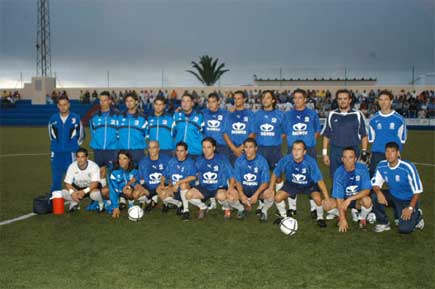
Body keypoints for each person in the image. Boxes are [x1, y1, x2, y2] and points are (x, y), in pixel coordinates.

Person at [270, 140, 330, 228]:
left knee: (317, 199)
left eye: (299, 149)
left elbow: (320, 181)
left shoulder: (310, 162)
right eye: (294, 149)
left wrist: (327, 198)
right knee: (278, 197)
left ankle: (320, 218)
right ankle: (283, 216)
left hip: (309, 185)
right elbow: (275, 173)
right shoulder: (286, 159)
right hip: (291, 184)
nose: (296, 152)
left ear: (304, 152)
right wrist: (271, 188)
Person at [283, 88, 321, 217]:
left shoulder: (312, 114)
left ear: (305, 99)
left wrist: (308, 144)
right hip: (292, 150)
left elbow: (317, 131)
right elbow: (284, 132)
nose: (297, 100)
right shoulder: (287, 115)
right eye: (295, 97)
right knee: (291, 176)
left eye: (300, 97)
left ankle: (314, 208)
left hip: (308, 149)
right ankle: (292, 208)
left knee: (312, 177)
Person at [371, 142, 424, 233]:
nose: (389, 155)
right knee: (374, 195)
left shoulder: (407, 167)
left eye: (392, 151)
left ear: (398, 153)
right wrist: (379, 192)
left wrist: (410, 208)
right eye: (387, 151)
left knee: (404, 229)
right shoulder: (382, 165)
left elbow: (418, 191)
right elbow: (375, 184)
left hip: (407, 200)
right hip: (393, 195)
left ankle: (417, 215)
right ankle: (383, 222)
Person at [322, 147, 373, 232]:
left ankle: (362, 218)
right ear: (342, 159)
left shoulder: (362, 169)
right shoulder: (339, 173)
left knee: (367, 201)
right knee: (325, 204)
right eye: (345, 157)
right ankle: (340, 214)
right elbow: (339, 198)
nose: (347, 160)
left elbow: (367, 190)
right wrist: (342, 219)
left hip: (357, 200)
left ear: (355, 159)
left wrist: (350, 199)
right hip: (344, 200)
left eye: (350, 157)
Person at [322, 89, 368, 180]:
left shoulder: (357, 114)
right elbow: (327, 135)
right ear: (337, 100)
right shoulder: (332, 114)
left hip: (353, 151)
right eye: (340, 99)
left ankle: (353, 194)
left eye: (345, 98)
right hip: (336, 152)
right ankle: (337, 194)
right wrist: (324, 154)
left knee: (354, 177)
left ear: (349, 100)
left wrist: (364, 153)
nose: (342, 101)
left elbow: (364, 135)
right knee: (336, 177)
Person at [186, 137, 235, 219]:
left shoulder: (222, 159)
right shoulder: (199, 160)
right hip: (204, 187)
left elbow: (231, 175)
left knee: (222, 196)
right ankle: (203, 207)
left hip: (218, 188)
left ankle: (227, 208)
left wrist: (230, 189)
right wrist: (188, 184)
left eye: (208, 147)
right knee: (188, 195)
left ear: (214, 148)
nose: (206, 150)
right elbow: (194, 175)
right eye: (204, 147)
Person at [48, 95, 85, 194]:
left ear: (69, 105)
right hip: (56, 153)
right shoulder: (53, 118)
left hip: (71, 153)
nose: (63, 107)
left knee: (72, 178)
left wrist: (74, 146)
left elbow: (81, 135)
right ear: (57, 106)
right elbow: (51, 135)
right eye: (60, 105)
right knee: (56, 178)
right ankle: (55, 199)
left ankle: (74, 201)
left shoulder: (75, 118)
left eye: (65, 104)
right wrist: (56, 146)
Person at [368, 90, 407, 176]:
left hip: (393, 153)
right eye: (381, 100)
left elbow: (402, 139)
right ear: (378, 102)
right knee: (373, 179)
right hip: (377, 153)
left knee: (395, 179)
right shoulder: (373, 119)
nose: (383, 102)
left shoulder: (399, 119)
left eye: (386, 99)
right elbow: (371, 139)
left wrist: (397, 152)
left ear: (391, 101)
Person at [234, 138, 272, 222]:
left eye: (251, 147)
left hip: (258, 190)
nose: (248, 150)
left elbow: (265, 182)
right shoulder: (239, 161)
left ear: (256, 148)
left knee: (270, 194)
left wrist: (256, 195)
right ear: (243, 148)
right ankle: (241, 209)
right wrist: (241, 193)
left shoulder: (262, 161)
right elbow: (237, 180)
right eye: (246, 147)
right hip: (244, 189)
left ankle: (264, 211)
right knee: (230, 195)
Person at [159, 141, 197, 220]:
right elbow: (163, 175)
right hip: (174, 189)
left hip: (187, 190)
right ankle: (179, 204)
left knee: (183, 185)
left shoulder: (190, 162)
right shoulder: (172, 161)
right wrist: (162, 184)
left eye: (181, 151)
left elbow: (193, 177)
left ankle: (186, 211)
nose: (179, 153)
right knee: (160, 191)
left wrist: (178, 183)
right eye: (177, 151)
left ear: (186, 152)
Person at [89, 91, 119, 190]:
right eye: (101, 100)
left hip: (112, 149)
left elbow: (120, 132)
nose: (103, 102)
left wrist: (116, 143)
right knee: (100, 172)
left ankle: (113, 195)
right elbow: (92, 131)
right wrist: (97, 143)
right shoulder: (94, 116)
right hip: (98, 149)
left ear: (109, 101)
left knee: (112, 173)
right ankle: (103, 196)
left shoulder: (117, 115)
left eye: (105, 100)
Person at [61, 148, 103, 212]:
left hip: (90, 187)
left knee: (94, 194)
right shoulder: (72, 166)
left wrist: (84, 191)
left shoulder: (93, 166)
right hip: (78, 188)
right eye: (78, 157)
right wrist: (72, 193)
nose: (80, 160)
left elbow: (95, 183)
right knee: (63, 192)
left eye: (82, 157)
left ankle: (101, 203)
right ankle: (74, 203)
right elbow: (67, 183)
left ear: (87, 158)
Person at [252, 90, 285, 169]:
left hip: (275, 150)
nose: (265, 100)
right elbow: (253, 133)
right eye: (263, 98)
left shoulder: (280, 115)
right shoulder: (257, 115)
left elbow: (285, 132)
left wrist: (275, 140)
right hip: (260, 149)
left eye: (268, 98)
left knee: (278, 176)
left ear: (273, 100)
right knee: (260, 174)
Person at [108, 150, 147, 219]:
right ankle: (110, 203)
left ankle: (133, 202)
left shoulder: (134, 170)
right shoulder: (114, 171)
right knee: (105, 191)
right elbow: (112, 189)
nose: (121, 161)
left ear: (129, 160)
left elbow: (138, 183)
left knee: (133, 190)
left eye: (124, 158)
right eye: (119, 158)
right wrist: (115, 207)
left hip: (129, 191)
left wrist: (131, 187)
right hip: (118, 190)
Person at [134, 141, 171, 212]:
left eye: (154, 148)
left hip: (162, 186)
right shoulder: (143, 161)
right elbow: (139, 176)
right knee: (135, 194)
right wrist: (138, 185)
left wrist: (169, 185)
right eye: (149, 148)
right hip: (149, 186)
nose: (151, 150)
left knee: (163, 194)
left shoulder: (166, 159)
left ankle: (166, 203)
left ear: (158, 149)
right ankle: (149, 201)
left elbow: (172, 173)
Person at [223, 90, 255, 165]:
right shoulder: (229, 114)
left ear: (244, 99)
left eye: (239, 98)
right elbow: (225, 133)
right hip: (231, 150)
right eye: (235, 98)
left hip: (245, 150)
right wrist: (234, 149)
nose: (236, 100)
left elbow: (253, 133)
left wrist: (241, 148)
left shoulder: (250, 114)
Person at [118, 93, 147, 165]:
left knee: (139, 174)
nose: (129, 103)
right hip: (123, 151)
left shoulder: (143, 118)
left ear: (136, 102)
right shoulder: (120, 117)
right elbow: (116, 134)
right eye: (127, 101)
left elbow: (146, 135)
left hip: (137, 151)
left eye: (131, 101)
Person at [172, 94, 204, 158]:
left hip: (194, 153)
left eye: (188, 101)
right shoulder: (176, 116)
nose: (185, 104)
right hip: (179, 153)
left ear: (192, 103)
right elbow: (173, 133)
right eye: (183, 101)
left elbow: (204, 134)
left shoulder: (200, 117)